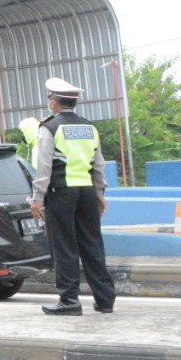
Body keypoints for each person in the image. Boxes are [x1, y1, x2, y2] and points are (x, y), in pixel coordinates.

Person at [28, 77, 115, 316]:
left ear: (54, 103)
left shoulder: (49, 127)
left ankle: (69, 301)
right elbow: (98, 164)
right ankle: (105, 300)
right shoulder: (89, 127)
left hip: (61, 192)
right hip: (87, 192)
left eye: (49, 99)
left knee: (64, 246)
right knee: (92, 244)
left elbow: (44, 165)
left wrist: (37, 197)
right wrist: (99, 193)